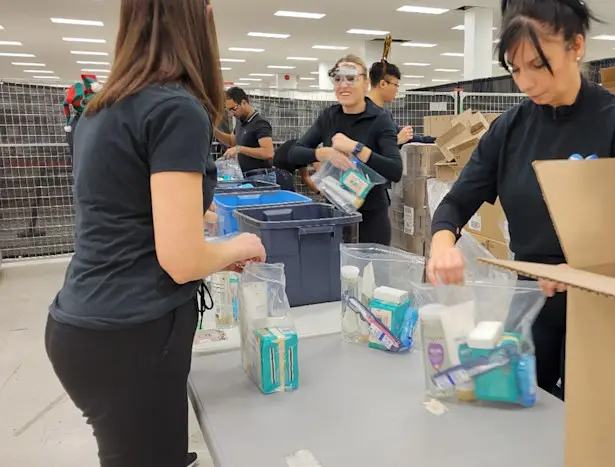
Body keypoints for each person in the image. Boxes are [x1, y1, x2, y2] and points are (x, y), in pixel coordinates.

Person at [44, 1, 266, 466]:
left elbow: (122, 210)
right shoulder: (176, 108)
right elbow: (181, 260)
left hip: (83, 321)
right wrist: (235, 246)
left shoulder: (101, 107)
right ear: (198, 19)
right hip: (132, 332)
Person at [427, 0, 615, 401]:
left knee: (586, 429)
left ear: (576, 46)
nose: (526, 82)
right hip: (532, 305)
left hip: (604, 309)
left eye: (539, 65)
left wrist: (585, 267)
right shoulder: (510, 129)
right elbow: (456, 202)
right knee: (518, 411)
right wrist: (441, 243)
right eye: (515, 69)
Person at [290, 54, 403, 245]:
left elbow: (395, 170)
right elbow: (294, 153)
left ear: (366, 83)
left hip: (371, 218)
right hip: (336, 213)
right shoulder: (329, 117)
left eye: (351, 78)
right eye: (338, 79)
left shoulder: (380, 120)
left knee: (370, 274)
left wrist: (357, 148)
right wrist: (324, 153)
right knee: (336, 272)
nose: (344, 85)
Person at [214, 86, 276, 181]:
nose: (232, 113)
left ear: (243, 102)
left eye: (234, 108)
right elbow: (231, 141)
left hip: (261, 176)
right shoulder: (241, 122)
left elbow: (268, 153)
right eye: (229, 110)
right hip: (246, 176)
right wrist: (214, 131)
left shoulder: (260, 124)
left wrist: (240, 149)